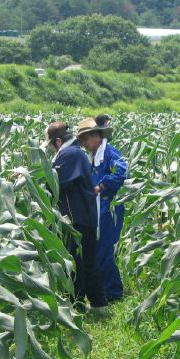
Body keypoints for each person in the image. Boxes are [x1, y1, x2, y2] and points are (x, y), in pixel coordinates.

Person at [43, 122, 108, 313]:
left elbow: (56, 184)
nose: (49, 151)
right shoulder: (76, 152)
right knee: (87, 262)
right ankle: (99, 305)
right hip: (84, 216)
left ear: (58, 141)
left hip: (76, 218)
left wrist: (32, 181)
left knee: (76, 264)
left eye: (50, 146)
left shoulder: (69, 154)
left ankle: (77, 306)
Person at [76, 118, 127, 302]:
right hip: (98, 210)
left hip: (109, 209)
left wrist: (102, 185)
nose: (83, 144)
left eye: (85, 139)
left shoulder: (109, 154)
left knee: (105, 251)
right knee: (98, 251)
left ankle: (113, 293)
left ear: (97, 136)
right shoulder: (93, 156)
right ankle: (105, 291)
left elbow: (121, 171)